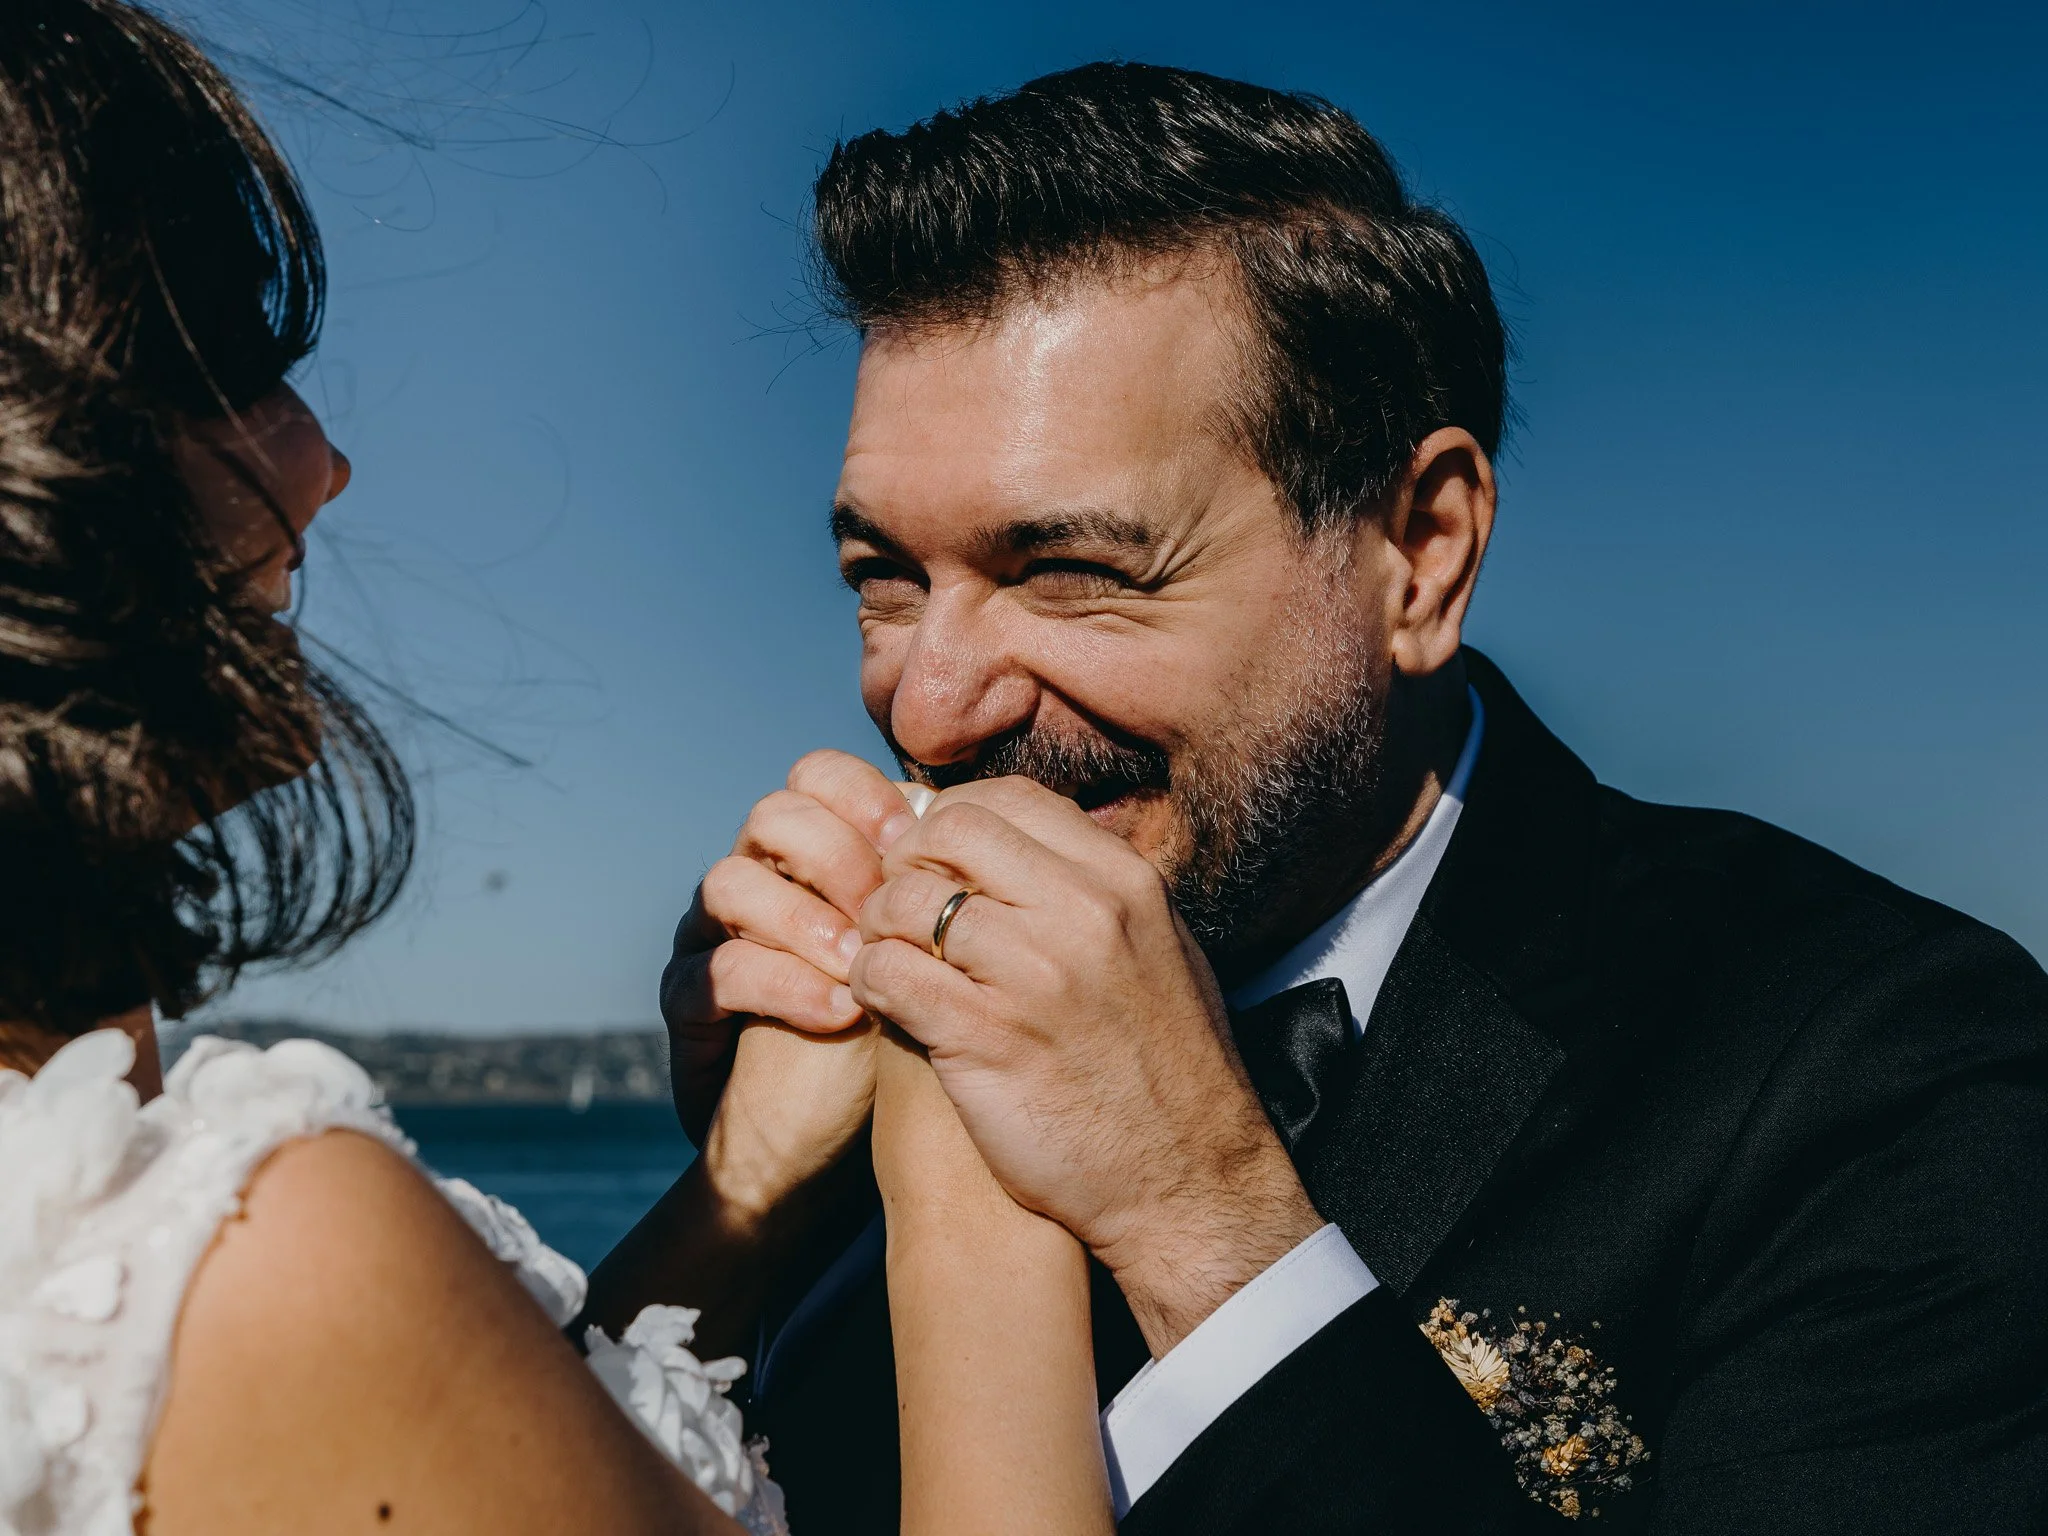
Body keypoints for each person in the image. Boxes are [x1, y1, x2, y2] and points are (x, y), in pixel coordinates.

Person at [597, 62, 2048, 1533]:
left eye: (1073, 574)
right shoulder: (865, 1039)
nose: (927, 702)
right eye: (886, 581)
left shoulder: (1883, 1072)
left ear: (1420, 552)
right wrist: (748, 1205)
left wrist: (1201, 1216)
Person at [0, 8, 1091, 1534]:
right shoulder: (258, 1256)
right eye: (218, 363)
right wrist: (979, 1156)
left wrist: (752, 1192)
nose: (322, 461)